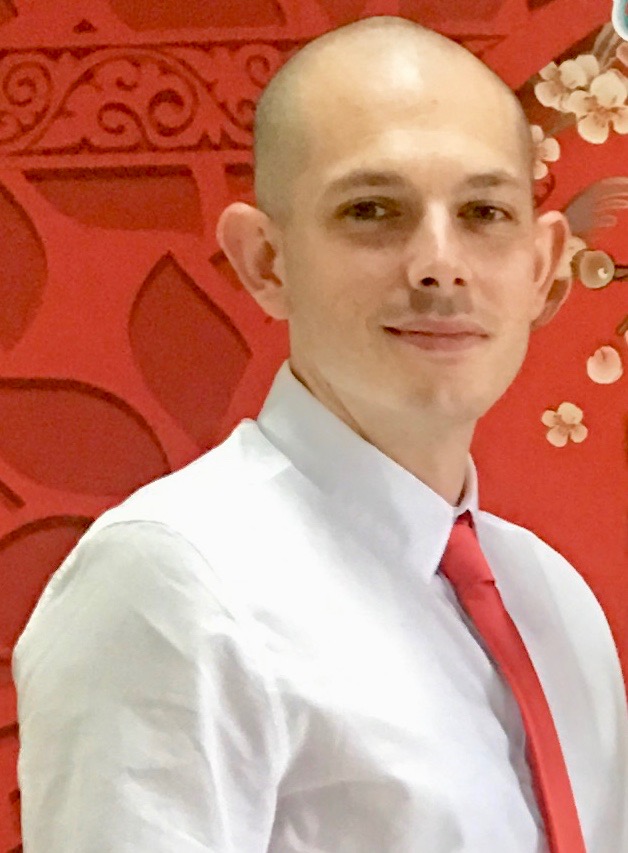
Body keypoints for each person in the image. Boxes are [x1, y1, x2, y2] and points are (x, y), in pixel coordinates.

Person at [13, 15, 627, 852]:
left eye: (484, 211)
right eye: (372, 209)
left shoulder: (555, 603)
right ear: (266, 261)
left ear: (543, 267)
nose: (439, 262)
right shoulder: (175, 583)